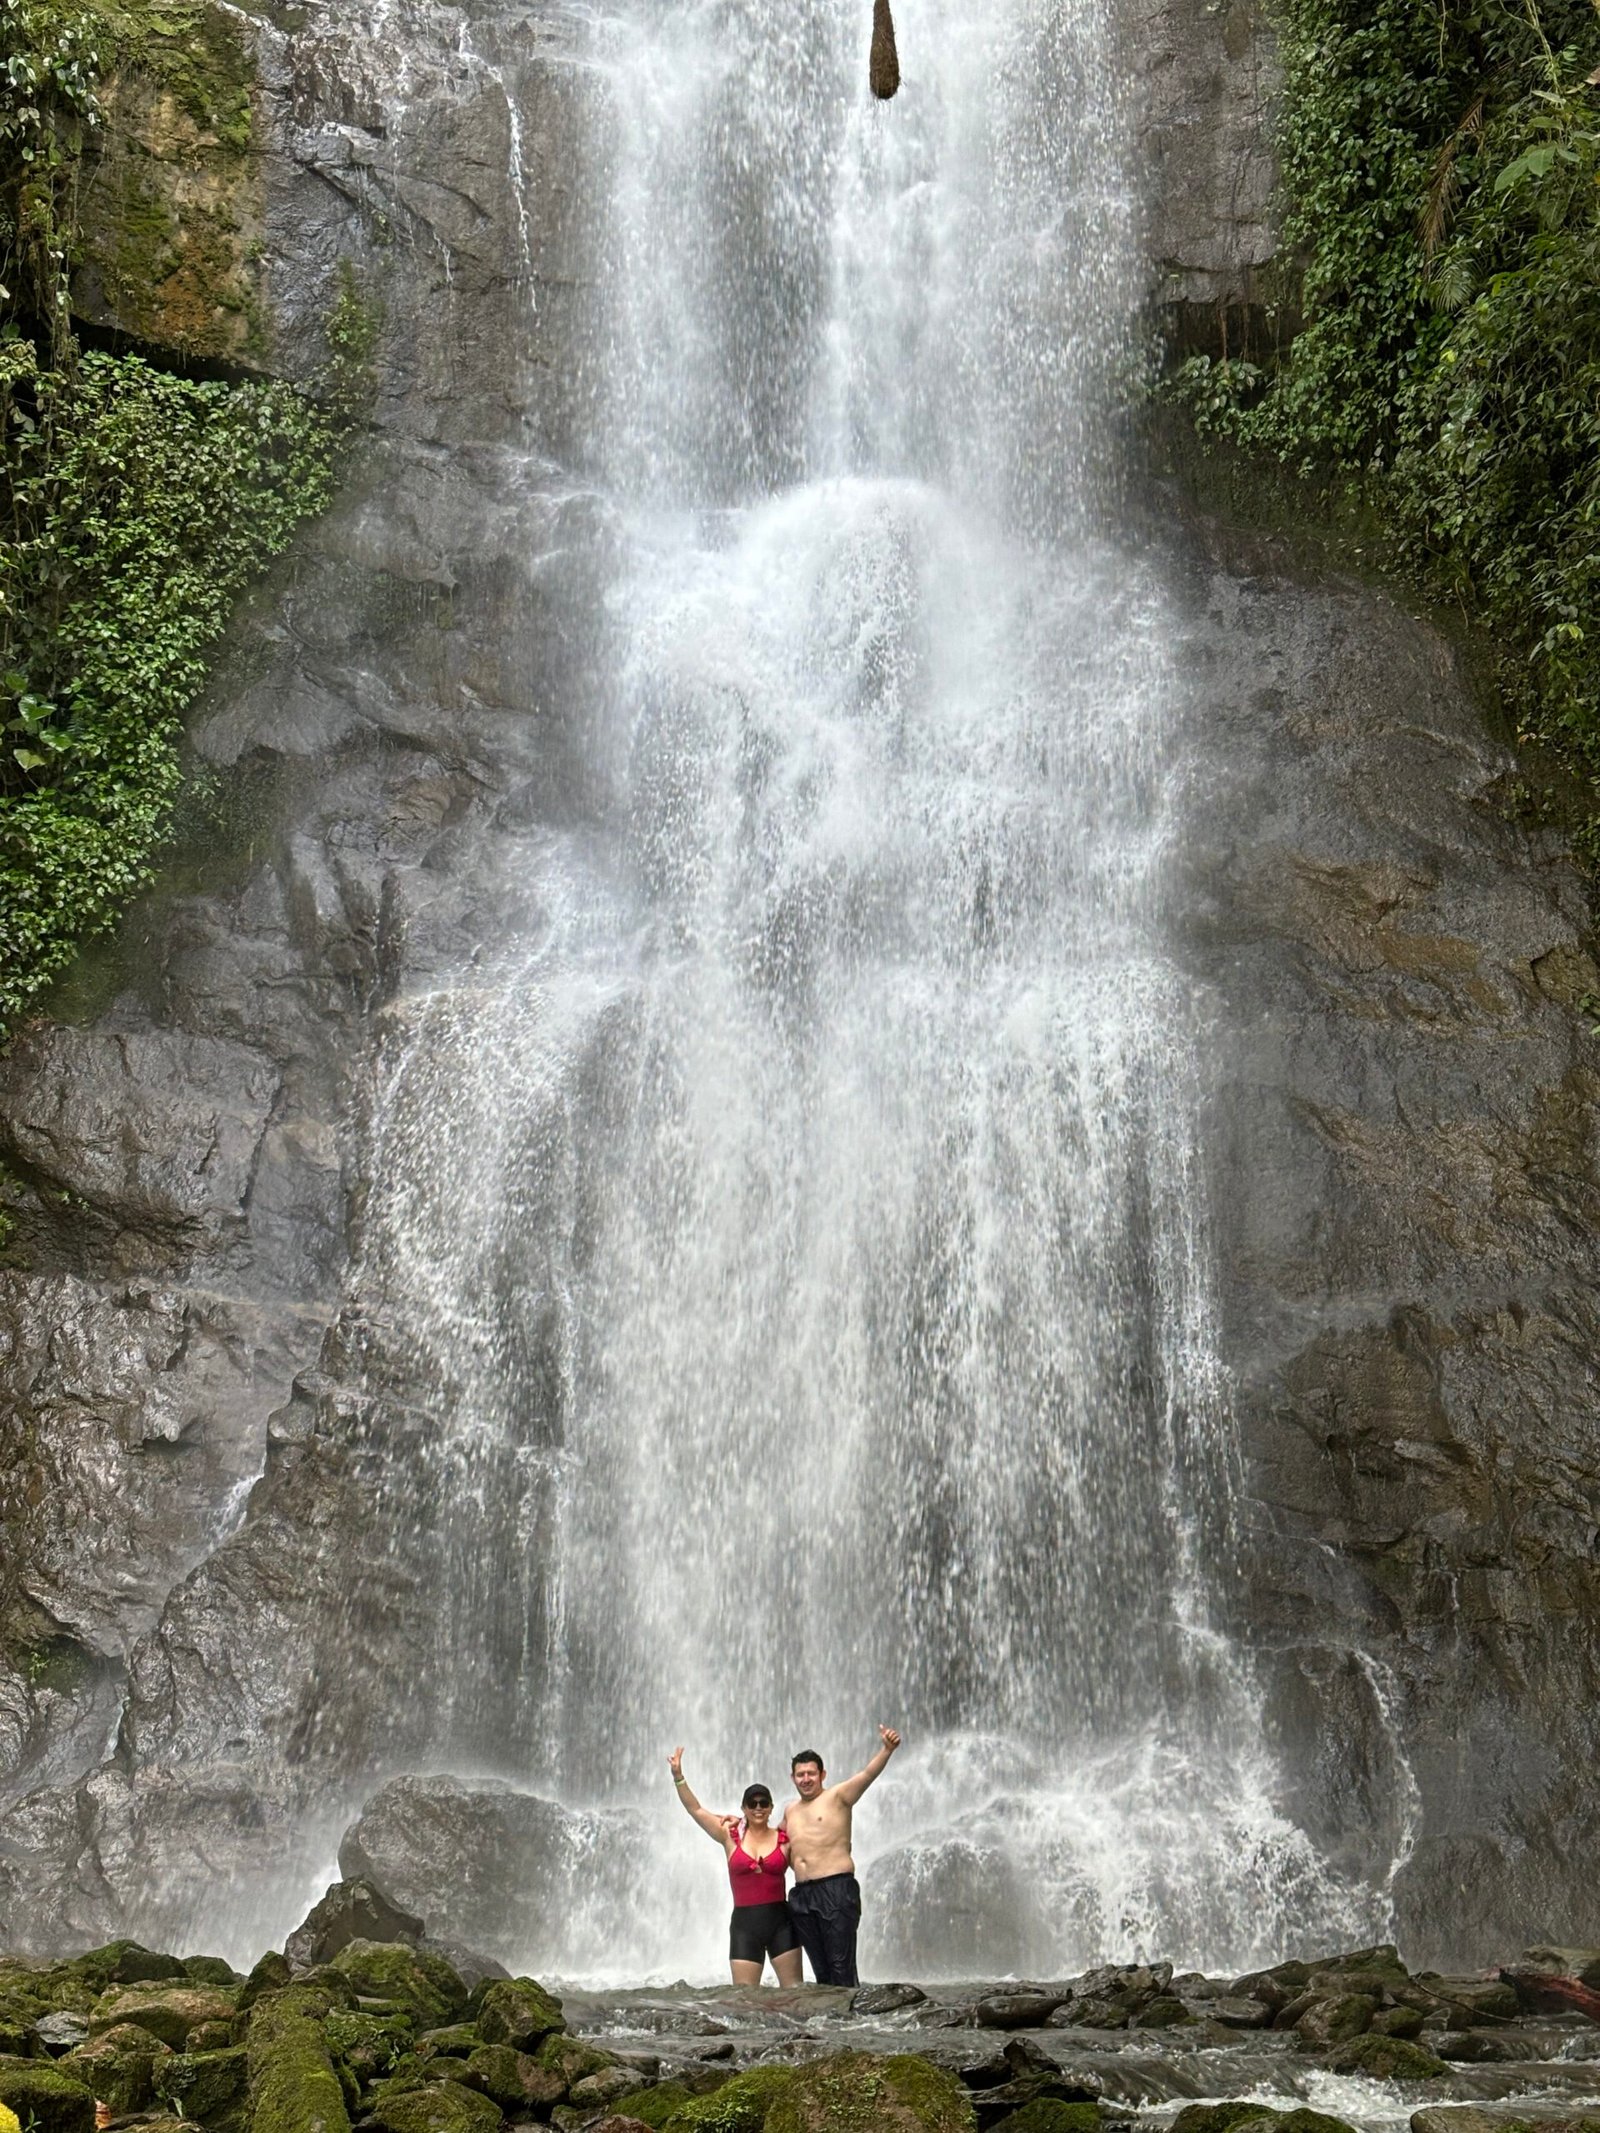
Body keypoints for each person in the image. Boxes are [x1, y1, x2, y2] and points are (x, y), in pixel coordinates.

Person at [668, 1746, 803, 1986]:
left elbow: (810, 1859)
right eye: (752, 1803)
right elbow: (696, 1809)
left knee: (793, 1992)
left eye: (763, 1803)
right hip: (744, 1925)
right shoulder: (729, 1835)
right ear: (744, 1808)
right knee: (745, 1998)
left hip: (781, 1922)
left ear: (771, 1808)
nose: (758, 1808)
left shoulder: (784, 1839)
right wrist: (678, 1777)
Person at [779, 1726, 901, 1986]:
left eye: (811, 1773)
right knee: (821, 1970)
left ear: (822, 1774)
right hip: (802, 1895)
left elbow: (867, 1775)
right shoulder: (790, 1810)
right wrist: (739, 1827)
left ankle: (849, 2022)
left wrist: (887, 1750)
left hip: (835, 1888)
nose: (806, 1778)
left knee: (840, 1966)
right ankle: (831, 2023)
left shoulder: (838, 1796)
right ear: (793, 1778)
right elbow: (769, 1838)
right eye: (800, 1774)